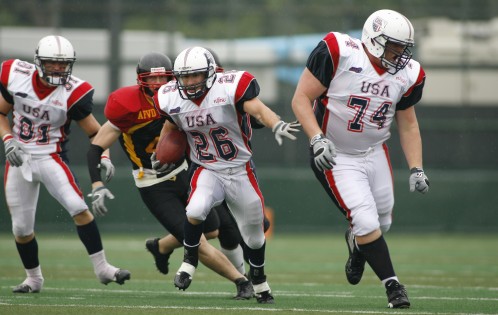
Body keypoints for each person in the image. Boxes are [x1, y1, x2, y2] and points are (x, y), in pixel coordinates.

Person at [291, 9, 430, 309]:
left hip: (375, 151)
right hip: (336, 154)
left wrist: (416, 168)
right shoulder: (339, 52)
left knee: (383, 221)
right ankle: (393, 286)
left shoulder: (408, 74)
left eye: (404, 47)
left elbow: (408, 123)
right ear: (375, 40)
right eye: (395, 46)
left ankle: (357, 244)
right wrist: (316, 138)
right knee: (366, 221)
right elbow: (300, 98)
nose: (401, 54)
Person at [86, 52, 253, 299]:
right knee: (194, 240)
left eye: (163, 78)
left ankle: (161, 246)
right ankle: (241, 282)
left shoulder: (180, 96)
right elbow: (96, 145)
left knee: (212, 231)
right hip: (153, 182)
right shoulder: (126, 104)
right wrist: (97, 181)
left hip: (186, 171)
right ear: (140, 80)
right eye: (151, 79)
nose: (157, 84)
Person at [154, 46, 300, 304]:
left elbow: (257, 109)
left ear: (209, 73)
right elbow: (170, 124)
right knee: (196, 210)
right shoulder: (170, 98)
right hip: (206, 168)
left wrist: (276, 123)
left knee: (254, 236)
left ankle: (260, 281)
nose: (188, 83)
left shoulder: (229, 87)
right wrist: (160, 152)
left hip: (240, 170)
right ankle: (188, 263)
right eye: (184, 77)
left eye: (194, 76)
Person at [0, 35, 130, 293]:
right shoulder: (14, 74)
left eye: (63, 64)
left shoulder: (74, 92)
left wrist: (104, 156)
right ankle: (33, 279)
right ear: (38, 61)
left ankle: (102, 268)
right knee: (21, 228)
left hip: (51, 157)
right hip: (18, 158)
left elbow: (95, 132)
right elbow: (1, 112)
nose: (59, 69)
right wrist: (8, 139)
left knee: (78, 207)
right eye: (52, 63)